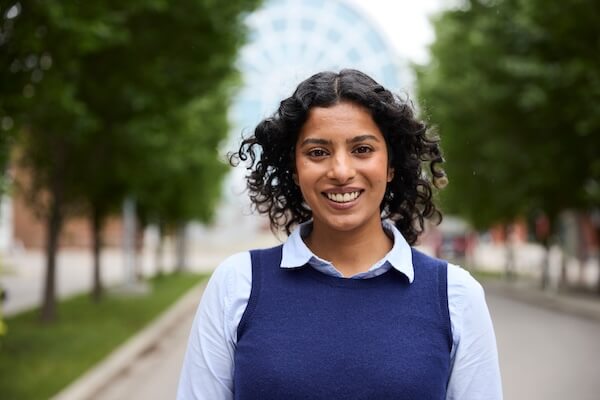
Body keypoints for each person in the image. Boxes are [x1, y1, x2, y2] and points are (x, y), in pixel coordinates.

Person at [177, 69, 502, 400]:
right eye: (318, 152)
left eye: (362, 149)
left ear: (391, 165)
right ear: (295, 168)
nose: (342, 172)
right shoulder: (236, 285)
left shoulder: (456, 297)